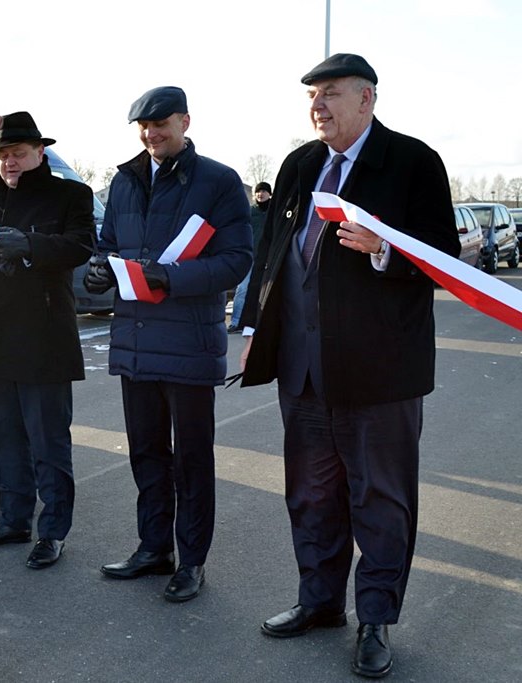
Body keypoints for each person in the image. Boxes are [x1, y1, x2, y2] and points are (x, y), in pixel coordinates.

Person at [239, 54, 459, 679]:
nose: (318, 106)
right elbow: (272, 252)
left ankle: (375, 620)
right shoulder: (299, 165)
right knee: (311, 495)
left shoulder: (412, 161)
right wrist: (254, 330)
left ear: (367, 99)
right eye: (313, 96)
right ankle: (319, 602)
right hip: (302, 369)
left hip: (380, 372)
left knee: (380, 501)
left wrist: (386, 249)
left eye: (331, 93)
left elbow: (445, 257)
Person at [85, 86, 252, 601]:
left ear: (185, 122)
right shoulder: (124, 181)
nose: (151, 133)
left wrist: (169, 277)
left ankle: (192, 560)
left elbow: (237, 260)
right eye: (143, 126)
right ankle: (154, 548)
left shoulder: (219, 181)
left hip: (189, 343)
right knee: (147, 452)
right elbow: (108, 246)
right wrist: (99, 271)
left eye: (160, 123)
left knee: (192, 461)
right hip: (135, 341)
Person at [0, 112, 95, 569]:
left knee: (48, 443)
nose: (9, 162)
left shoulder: (70, 194)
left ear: (39, 153)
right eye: (3, 154)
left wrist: (30, 244)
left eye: (18, 154)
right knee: (4, 437)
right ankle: (13, 518)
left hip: (43, 337)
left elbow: (81, 245)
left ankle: (54, 531)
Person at [228, 181, 271, 331]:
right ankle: (236, 322)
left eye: (264, 191)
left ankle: (262, 323)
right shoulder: (249, 212)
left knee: (266, 290)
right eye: (258, 191)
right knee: (242, 289)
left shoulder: (274, 211)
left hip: (268, 257)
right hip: (250, 256)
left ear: (269, 194)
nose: (260, 194)